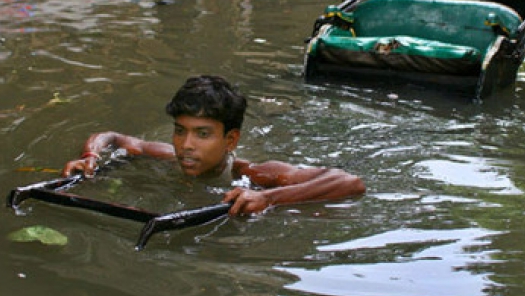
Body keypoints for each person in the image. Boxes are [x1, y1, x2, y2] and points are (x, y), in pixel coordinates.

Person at [61, 75, 365, 216]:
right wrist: (91, 155)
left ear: (230, 140)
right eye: (180, 131)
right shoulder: (168, 156)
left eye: (202, 134)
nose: (186, 145)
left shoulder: (255, 174)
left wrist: (268, 198)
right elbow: (113, 137)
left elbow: (350, 182)